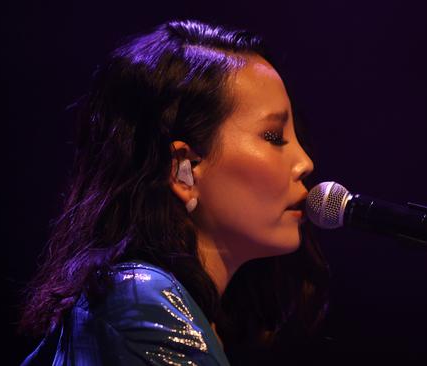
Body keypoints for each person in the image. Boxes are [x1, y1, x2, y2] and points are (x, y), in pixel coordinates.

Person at [18, 19, 330, 365]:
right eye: (274, 137)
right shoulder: (140, 302)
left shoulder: (162, 304)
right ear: (184, 169)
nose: (305, 162)